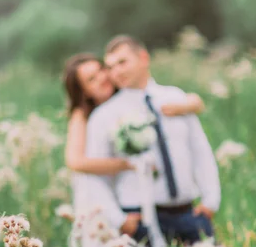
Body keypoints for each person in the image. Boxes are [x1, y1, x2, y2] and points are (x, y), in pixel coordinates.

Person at [84, 35, 221, 247]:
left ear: (143, 58)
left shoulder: (176, 98)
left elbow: (200, 151)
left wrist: (210, 201)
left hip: (188, 212)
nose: (115, 72)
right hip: (139, 217)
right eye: (110, 66)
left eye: (122, 62)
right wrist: (120, 220)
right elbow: (95, 177)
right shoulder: (105, 116)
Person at [63, 52, 205, 213]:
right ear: (84, 92)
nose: (102, 78)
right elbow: (75, 161)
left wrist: (188, 105)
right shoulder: (82, 115)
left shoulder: (126, 97)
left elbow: (189, 101)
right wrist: (128, 164)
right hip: (96, 190)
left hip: (127, 191)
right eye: (91, 79)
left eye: (102, 70)